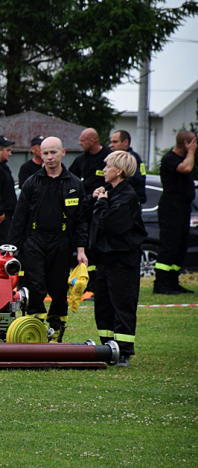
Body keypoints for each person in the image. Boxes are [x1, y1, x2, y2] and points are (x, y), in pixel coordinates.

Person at [8, 137, 89, 342]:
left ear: (63, 152)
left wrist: (81, 250)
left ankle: (56, 331)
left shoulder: (74, 184)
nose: (50, 157)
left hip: (61, 242)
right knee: (35, 286)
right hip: (34, 241)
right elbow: (19, 218)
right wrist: (12, 249)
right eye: (45, 153)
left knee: (59, 289)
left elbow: (80, 221)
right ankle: (33, 332)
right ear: (40, 155)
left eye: (53, 152)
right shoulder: (32, 183)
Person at [89, 151, 147, 368]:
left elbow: (111, 224)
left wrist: (102, 203)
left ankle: (123, 351)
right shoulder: (111, 193)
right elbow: (94, 221)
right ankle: (107, 347)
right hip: (105, 259)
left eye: (107, 166)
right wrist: (96, 199)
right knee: (103, 306)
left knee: (122, 304)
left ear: (119, 171)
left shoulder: (126, 197)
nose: (104, 170)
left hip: (123, 261)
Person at [153, 130, 197, 295]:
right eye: (194, 143)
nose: (196, 147)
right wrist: (191, 152)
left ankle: (172, 282)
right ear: (186, 144)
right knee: (169, 246)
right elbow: (185, 169)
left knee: (180, 246)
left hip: (183, 208)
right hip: (171, 208)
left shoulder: (185, 158)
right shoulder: (170, 158)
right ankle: (160, 284)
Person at [69, 128, 111, 291]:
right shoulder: (82, 160)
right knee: (86, 246)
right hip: (85, 209)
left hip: (102, 209)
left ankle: (98, 283)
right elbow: (69, 177)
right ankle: (88, 282)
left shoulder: (107, 156)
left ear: (92, 141)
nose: (79, 143)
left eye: (82, 140)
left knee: (98, 247)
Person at [109, 130, 147, 204]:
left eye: (115, 142)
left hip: (129, 202)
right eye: (111, 142)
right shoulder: (135, 157)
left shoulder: (129, 159)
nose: (111, 145)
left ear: (125, 142)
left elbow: (137, 178)